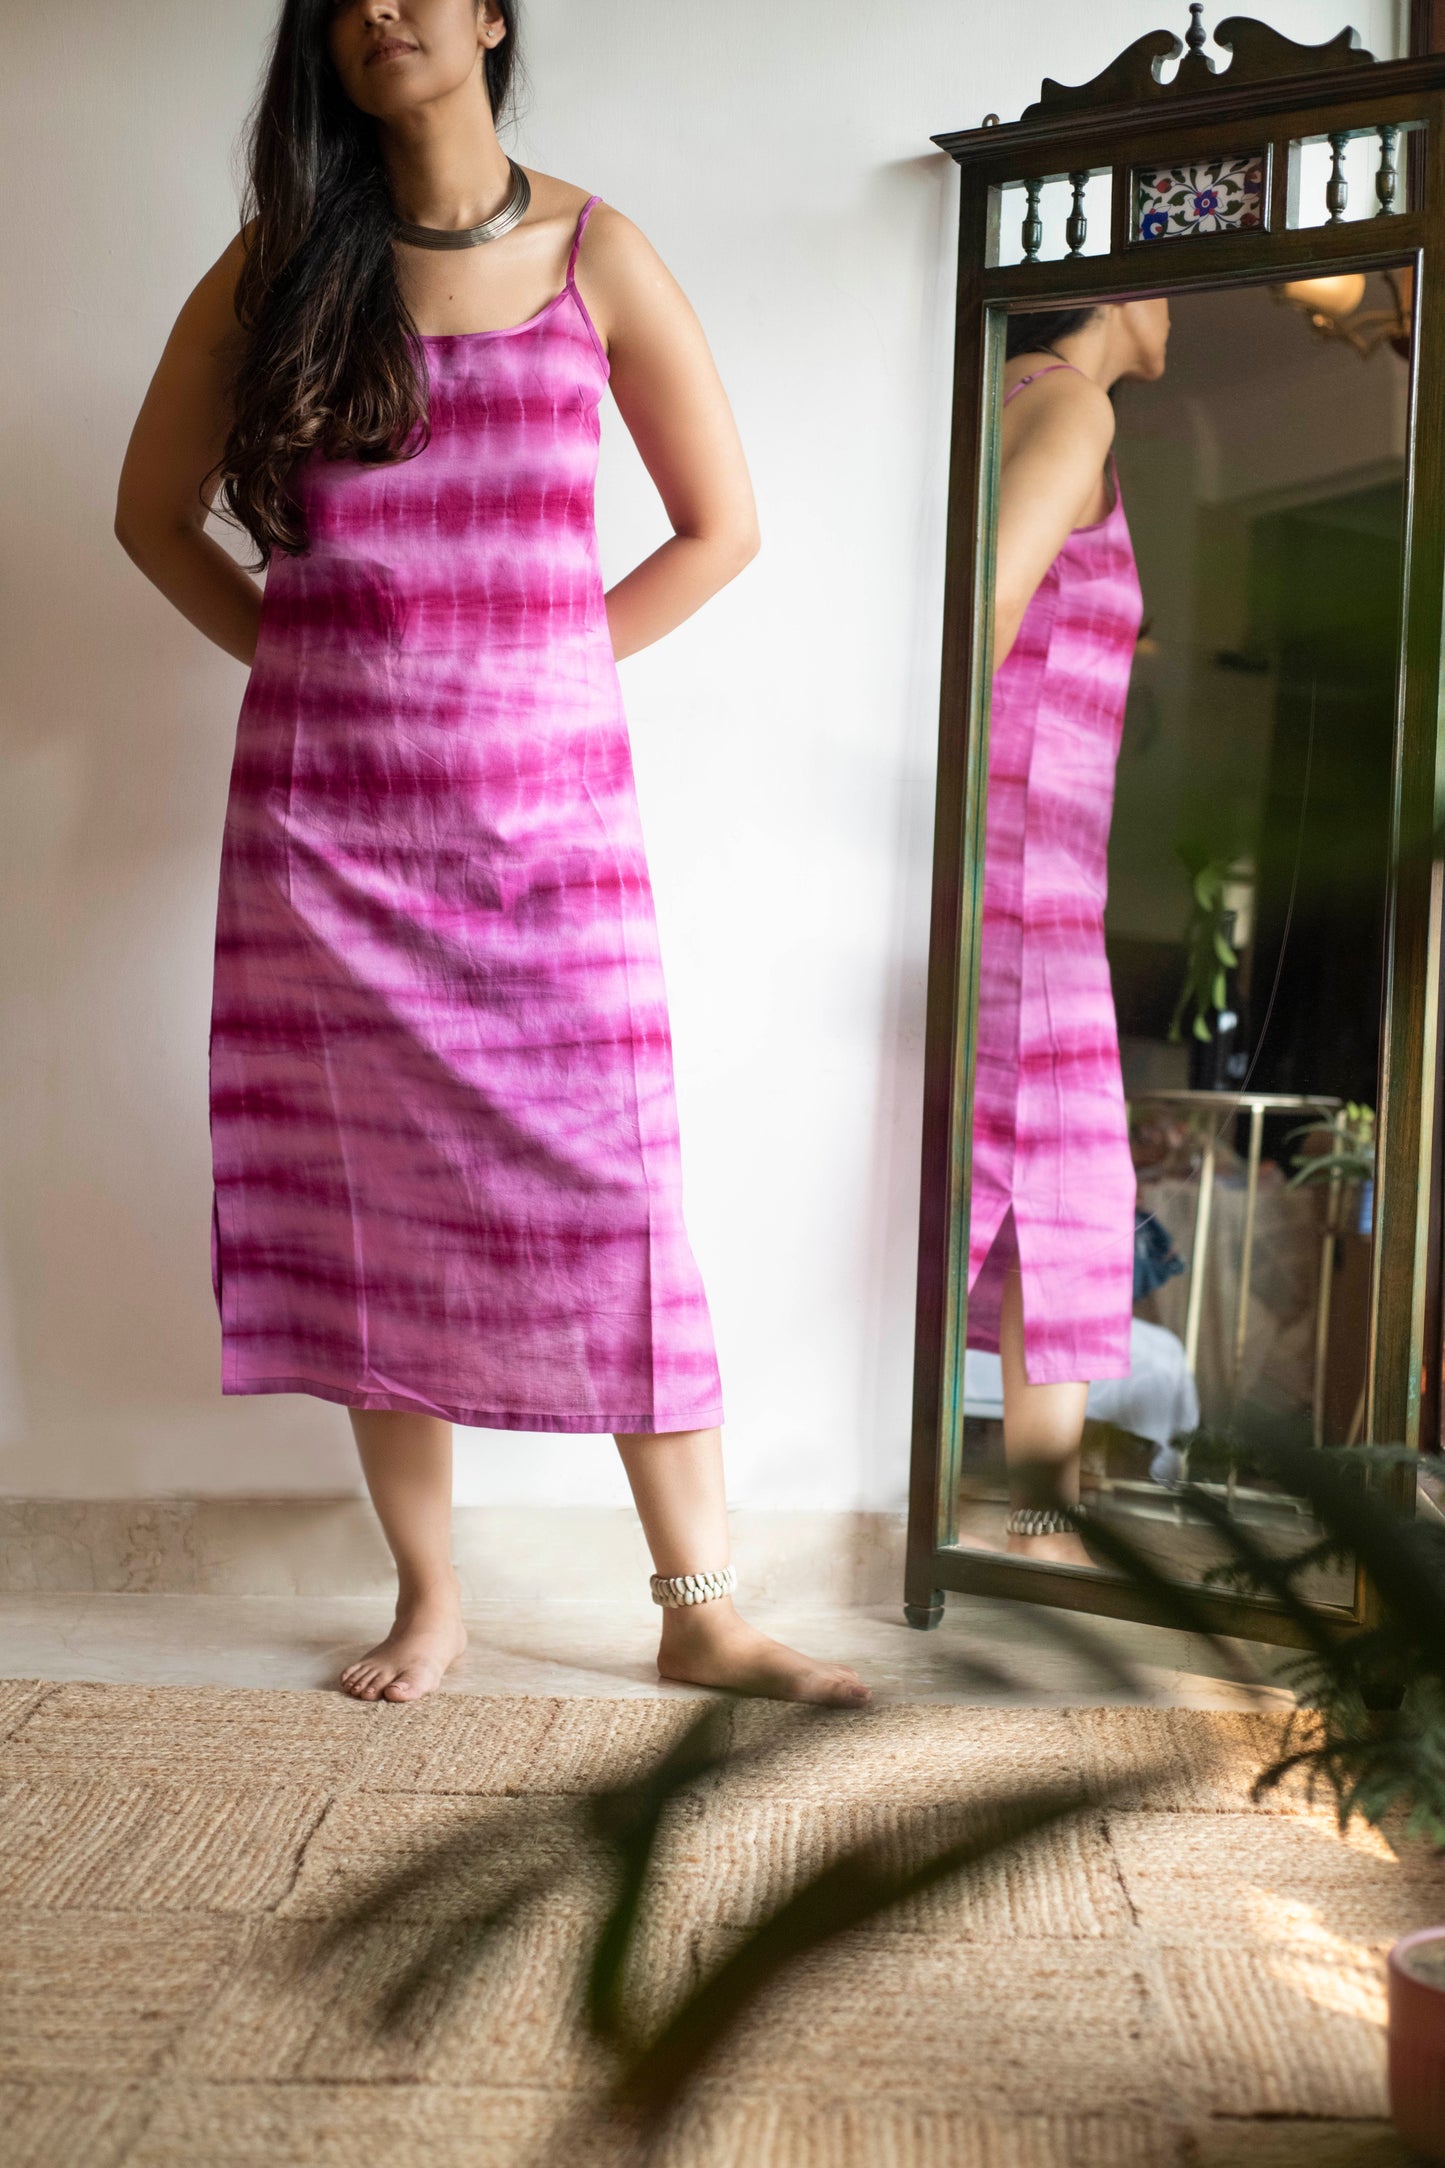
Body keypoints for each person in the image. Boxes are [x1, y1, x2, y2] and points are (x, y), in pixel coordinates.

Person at [113, 0, 868, 1709]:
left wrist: (544, 660)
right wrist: (309, 656)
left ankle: (701, 1605)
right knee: (383, 1199)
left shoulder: (599, 251)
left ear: (491, 16)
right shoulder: (282, 270)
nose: (383, 7)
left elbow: (721, 523)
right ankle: (428, 1595)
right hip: (333, 841)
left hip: (552, 831)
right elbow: (148, 514)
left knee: (621, 1189)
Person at [966, 298, 1170, 1569]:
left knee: (1038, 1187)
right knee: (1071, 1189)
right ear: (1117, 287)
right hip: (1024, 876)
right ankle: (1040, 1525)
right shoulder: (1068, 401)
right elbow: (982, 612)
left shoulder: (1013, 399)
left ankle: (1037, 1515)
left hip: (1022, 868)